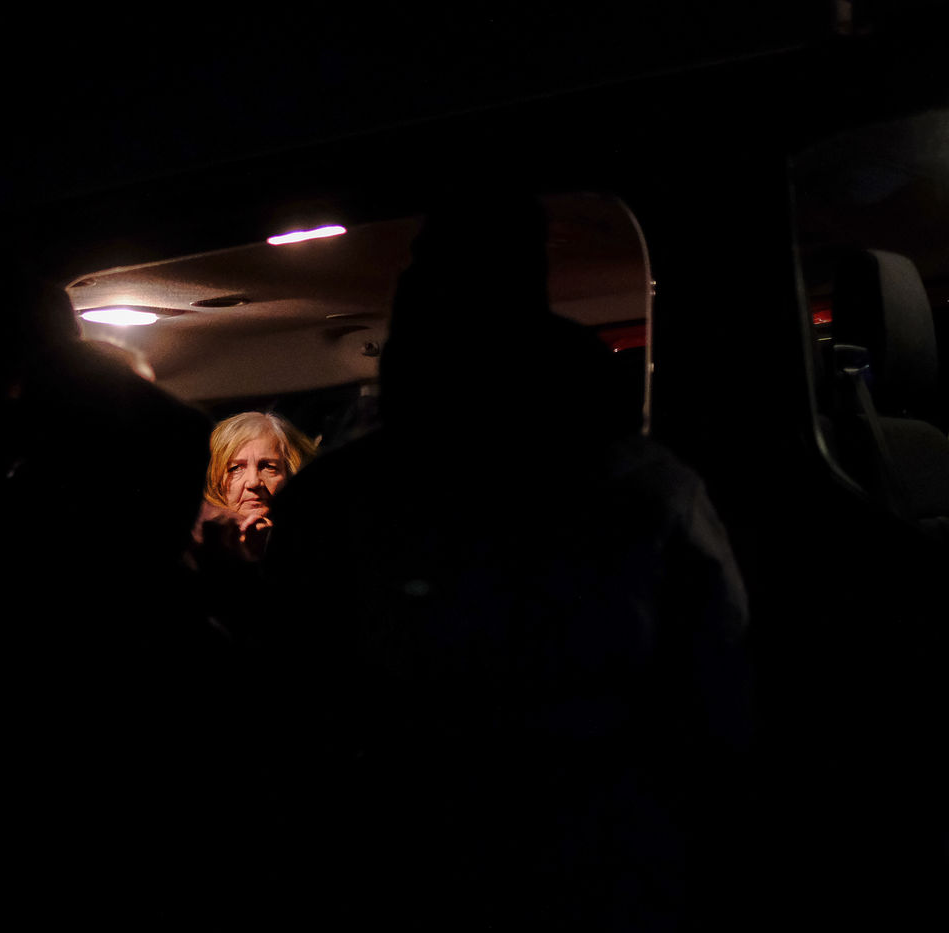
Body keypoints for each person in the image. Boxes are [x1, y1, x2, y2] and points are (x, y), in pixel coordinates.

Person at [261, 191, 753, 931]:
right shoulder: (649, 489)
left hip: (403, 879)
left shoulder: (336, 501)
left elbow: (290, 725)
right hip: (611, 878)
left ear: (411, 322)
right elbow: (719, 716)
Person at [195, 411, 318, 563]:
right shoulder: (193, 545)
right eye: (236, 468)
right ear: (214, 478)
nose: (253, 482)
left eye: (268, 467)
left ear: (291, 472)